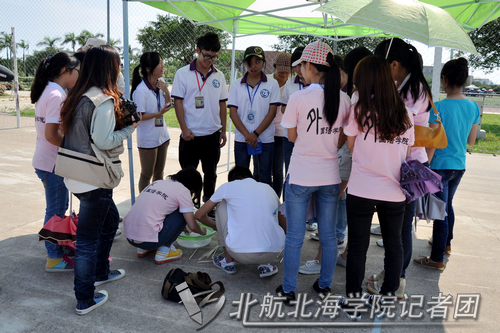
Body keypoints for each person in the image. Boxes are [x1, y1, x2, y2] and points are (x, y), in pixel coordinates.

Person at [60, 45, 139, 315]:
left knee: (108, 222)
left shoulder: (77, 96)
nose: (120, 71)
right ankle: (85, 298)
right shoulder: (102, 100)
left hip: (76, 175)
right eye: (117, 65)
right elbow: (104, 140)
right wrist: (129, 128)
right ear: (109, 68)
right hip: (95, 179)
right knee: (87, 241)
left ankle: (102, 271)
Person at [275, 41, 351, 304]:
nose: (299, 72)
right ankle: (325, 285)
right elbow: (344, 135)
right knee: (329, 236)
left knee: (295, 236)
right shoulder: (344, 99)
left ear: (308, 65)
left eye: (301, 67)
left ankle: (288, 289)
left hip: (301, 175)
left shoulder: (298, 97)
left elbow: (292, 137)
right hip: (330, 176)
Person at [341, 55, 414, 319]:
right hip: (394, 191)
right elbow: (406, 152)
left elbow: (350, 146)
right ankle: (387, 296)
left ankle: (353, 302)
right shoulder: (405, 112)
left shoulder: (359, 108)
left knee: (358, 246)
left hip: (361, 188)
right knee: (394, 244)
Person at [368, 38, 432, 297]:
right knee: (399, 227)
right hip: (404, 164)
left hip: (409, 167)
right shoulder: (405, 86)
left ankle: (396, 280)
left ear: (393, 65)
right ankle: (395, 277)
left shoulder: (412, 90)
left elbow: (395, 126)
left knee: (401, 227)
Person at [413, 57, 479, 270]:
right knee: (447, 205)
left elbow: (432, 142)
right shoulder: (473, 107)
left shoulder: (438, 107)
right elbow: (471, 141)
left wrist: (425, 166)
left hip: (439, 165)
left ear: (444, 79)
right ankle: (446, 243)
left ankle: (436, 258)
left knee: (440, 212)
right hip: (459, 165)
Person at [31, 52, 80, 272]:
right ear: (65, 71)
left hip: (46, 160)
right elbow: (52, 135)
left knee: (56, 208)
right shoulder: (56, 95)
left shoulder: (49, 91)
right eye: (77, 70)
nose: (79, 74)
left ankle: (58, 249)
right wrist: (74, 147)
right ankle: (53, 257)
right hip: (52, 163)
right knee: (56, 210)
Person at [171, 32, 228, 212]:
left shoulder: (219, 76)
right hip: (190, 136)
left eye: (213, 57)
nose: (209, 60)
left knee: (210, 174)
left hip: (212, 134)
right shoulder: (182, 73)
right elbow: (178, 102)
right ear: (198, 50)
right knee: (188, 175)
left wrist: (223, 131)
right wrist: (184, 129)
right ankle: (189, 207)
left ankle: (208, 205)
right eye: (206, 55)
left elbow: (222, 104)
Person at [194, 166, 285, 278]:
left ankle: (228, 261)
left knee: (222, 203)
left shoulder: (228, 187)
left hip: (239, 253)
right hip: (273, 252)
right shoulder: (268, 188)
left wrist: (216, 226)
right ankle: (265, 265)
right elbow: (282, 218)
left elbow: (199, 215)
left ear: (232, 180)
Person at [123, 169, 215, 264]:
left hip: (130, 237)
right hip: (147, 241)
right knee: (183, 212)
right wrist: (201, 231)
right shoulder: (183, 191)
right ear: (194, 187)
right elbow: (192, 226)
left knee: (166, 209)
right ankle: (164, 252)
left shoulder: (157, 183)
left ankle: (143, 249)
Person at [228, 46, 281, 187]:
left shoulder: (272, 84)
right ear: (244, 63)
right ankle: (242, 207)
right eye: (249, 62)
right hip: (242, 138)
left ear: (264, 63)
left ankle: (262, 208)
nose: (253, 66)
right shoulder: (236, 85)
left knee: (264, 177)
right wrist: (248, 135)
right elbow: (233, 113)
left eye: (257, 62)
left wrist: (256, 133)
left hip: (265, 138)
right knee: (240, 177)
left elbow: (272, 112)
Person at [131, 51, 172, 192]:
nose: (162, 66)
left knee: (159, 173)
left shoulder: (161, 84)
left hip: (162, 136)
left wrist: (166, 91)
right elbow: (139, 116)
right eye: (159, 64)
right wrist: (157, 114)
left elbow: (169, 105)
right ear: (149, 69)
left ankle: (156, 201)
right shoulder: (140, 91)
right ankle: (143, 204)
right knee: (146, 175)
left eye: (162, 63)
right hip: (148, 138)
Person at [267, 52, 291, 198]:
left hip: (283, 134)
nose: (284, 74)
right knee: (263, 169)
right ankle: (264, 200)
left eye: (287, 71)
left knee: (278, 171)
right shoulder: (267, 81)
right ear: (274, 67)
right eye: (280, 70)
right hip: (265, 131)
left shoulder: (292, 83)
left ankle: (276, 201)